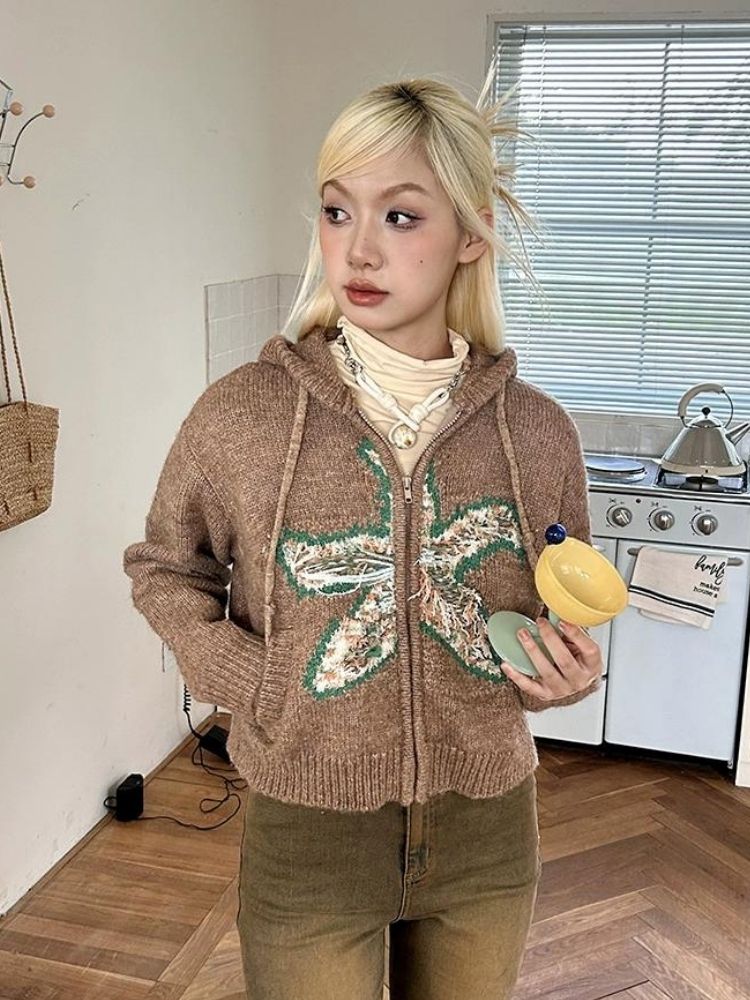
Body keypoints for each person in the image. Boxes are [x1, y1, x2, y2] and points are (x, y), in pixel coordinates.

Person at [123, 66, 604, 1000]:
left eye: (401, 216)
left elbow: (557, 604)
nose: (360, 249)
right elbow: (164, 568)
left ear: (471, 235)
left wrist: (565, 673)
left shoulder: (540, 434)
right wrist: (251, 678)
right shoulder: (244, 415)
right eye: (337, 211)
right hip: (309, 832)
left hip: (487, 831)